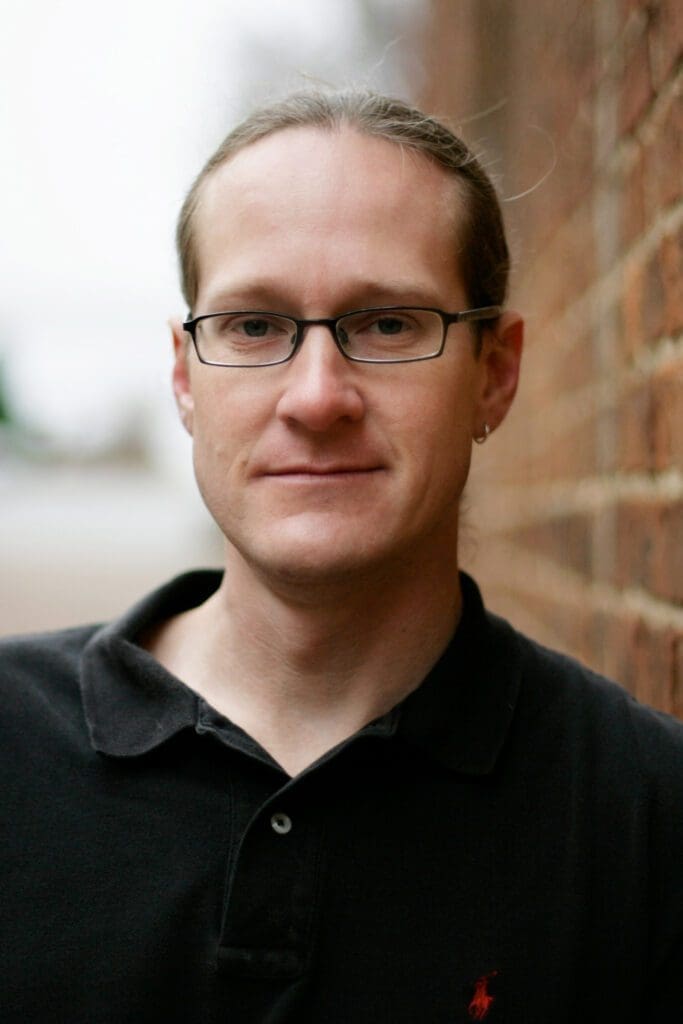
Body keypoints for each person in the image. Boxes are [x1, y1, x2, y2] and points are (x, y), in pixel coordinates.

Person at [1, 90, 682, 1024]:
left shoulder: (646, 816)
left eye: (387, 324)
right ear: (183, 378)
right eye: (253, 326)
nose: (317, 398)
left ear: (494, 373)